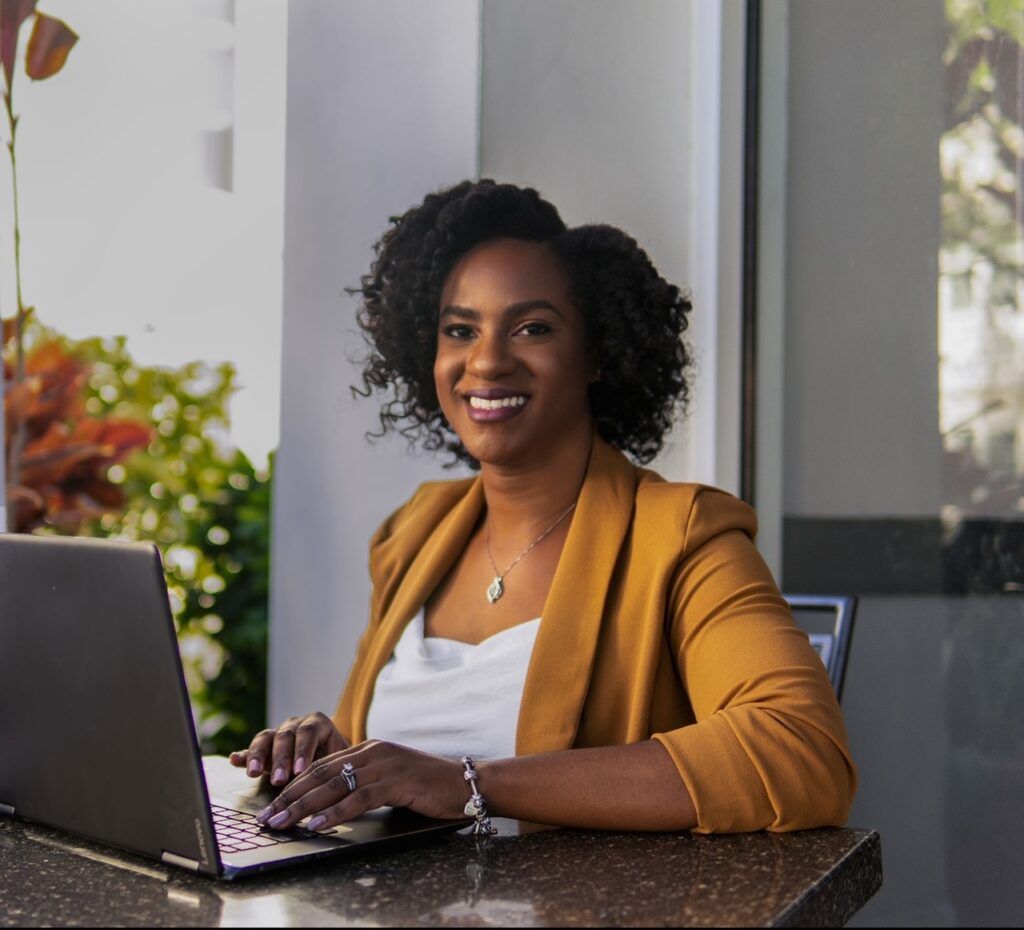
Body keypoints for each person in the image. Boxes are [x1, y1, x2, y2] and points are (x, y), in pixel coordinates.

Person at [230, 179, 857, 835]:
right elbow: (396, 767)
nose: (488, 360)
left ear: (595, 353)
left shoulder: (683, 536)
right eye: (459, 329)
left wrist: (469, 784)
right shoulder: (414, 533)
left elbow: (801, 752)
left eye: (532, 328)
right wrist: (331, 760)